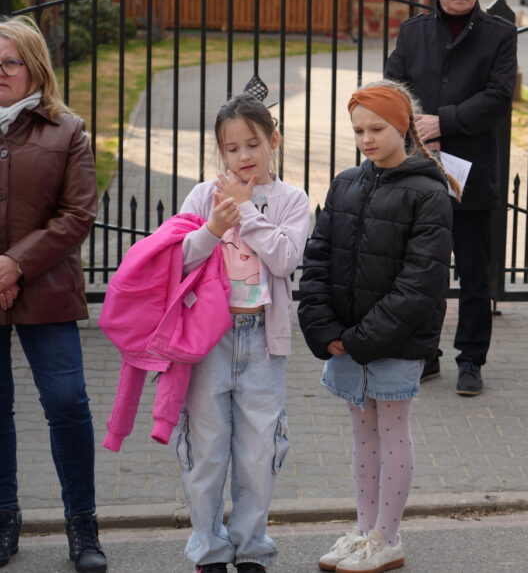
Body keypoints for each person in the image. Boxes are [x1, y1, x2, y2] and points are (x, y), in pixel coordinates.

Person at [299, 81, 455, 573]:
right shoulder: (345, 183)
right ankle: (364, 530)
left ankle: (387, 538)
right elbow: (318, 258)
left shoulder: (429, 192)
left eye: (377, 129)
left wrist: (362, 339)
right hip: (345, 341)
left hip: (393, 342)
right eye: (358, 130)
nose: (366, 139)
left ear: (402, 127)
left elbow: (421, 282)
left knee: (392, 430)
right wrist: (324, 329)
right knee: (362, 434)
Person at [173, 93, 310, 573]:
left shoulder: (292, 200)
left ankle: (251, 548)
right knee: (206, 451)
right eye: (231, 148)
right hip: (208, 340)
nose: (243, 156)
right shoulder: (201, 196)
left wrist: (247, 212)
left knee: (258, 451)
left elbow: (285, 259)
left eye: (252, 144)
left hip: (262, 341)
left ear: (274, 140)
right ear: (220, 151)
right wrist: (213, 227)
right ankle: (209, 549)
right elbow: (176, 261)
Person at [384, 0, 517, 396]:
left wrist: (445, 121)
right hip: (420, 169)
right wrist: (419, 129)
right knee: (422, 269)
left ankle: (471, 359)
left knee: (475, 274)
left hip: (472, 174)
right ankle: (425, 353)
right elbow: (393, 90)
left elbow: (497, 97)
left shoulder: (499, 34)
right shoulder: (413, 33)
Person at [0, 16, 105, 572]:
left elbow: (78, 213)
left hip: (48, 288)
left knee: (67, 405)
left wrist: (14, 263)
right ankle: (4, 519)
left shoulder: (67, 130)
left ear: (35, 67)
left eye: (9, 63)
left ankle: (82, 526)